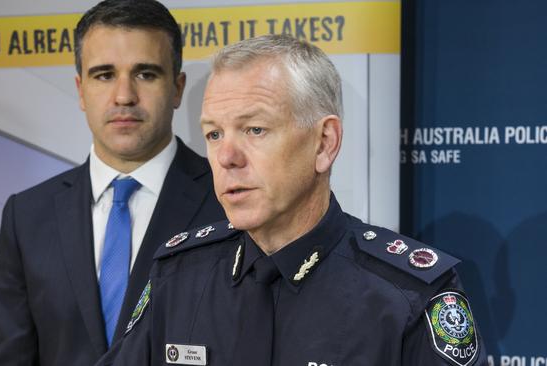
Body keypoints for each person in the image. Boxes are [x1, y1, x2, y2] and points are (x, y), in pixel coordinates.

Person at [96, 35, 487, 366]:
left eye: (255, 129)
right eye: (214, 134)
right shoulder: (177, 276)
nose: (227, 157)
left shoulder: (407, 295)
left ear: (324, 143)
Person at [0, 1, 225, 365]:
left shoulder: (228, 201)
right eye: (104, 75)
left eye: (146, 74)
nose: (124, 96)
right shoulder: (27, 217)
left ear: (177, 88)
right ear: (80, 89)